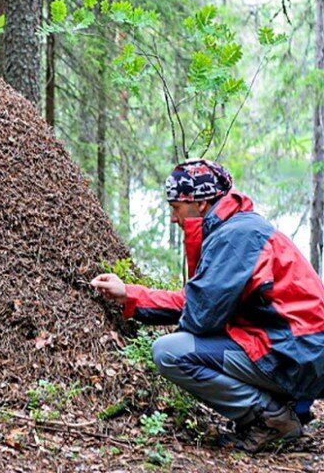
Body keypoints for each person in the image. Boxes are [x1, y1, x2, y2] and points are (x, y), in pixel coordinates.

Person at [91, 158, 324, 453]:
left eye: (176, 207)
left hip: (296, 354)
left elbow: (201, 316)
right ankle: (284, 408)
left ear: (200, 204)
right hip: (296, 349)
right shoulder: (239, 229)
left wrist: (137, 299)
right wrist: (131, 295)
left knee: (171, 352)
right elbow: (202, 301)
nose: (174, 218)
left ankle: (273, 419)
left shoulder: (236, 237)